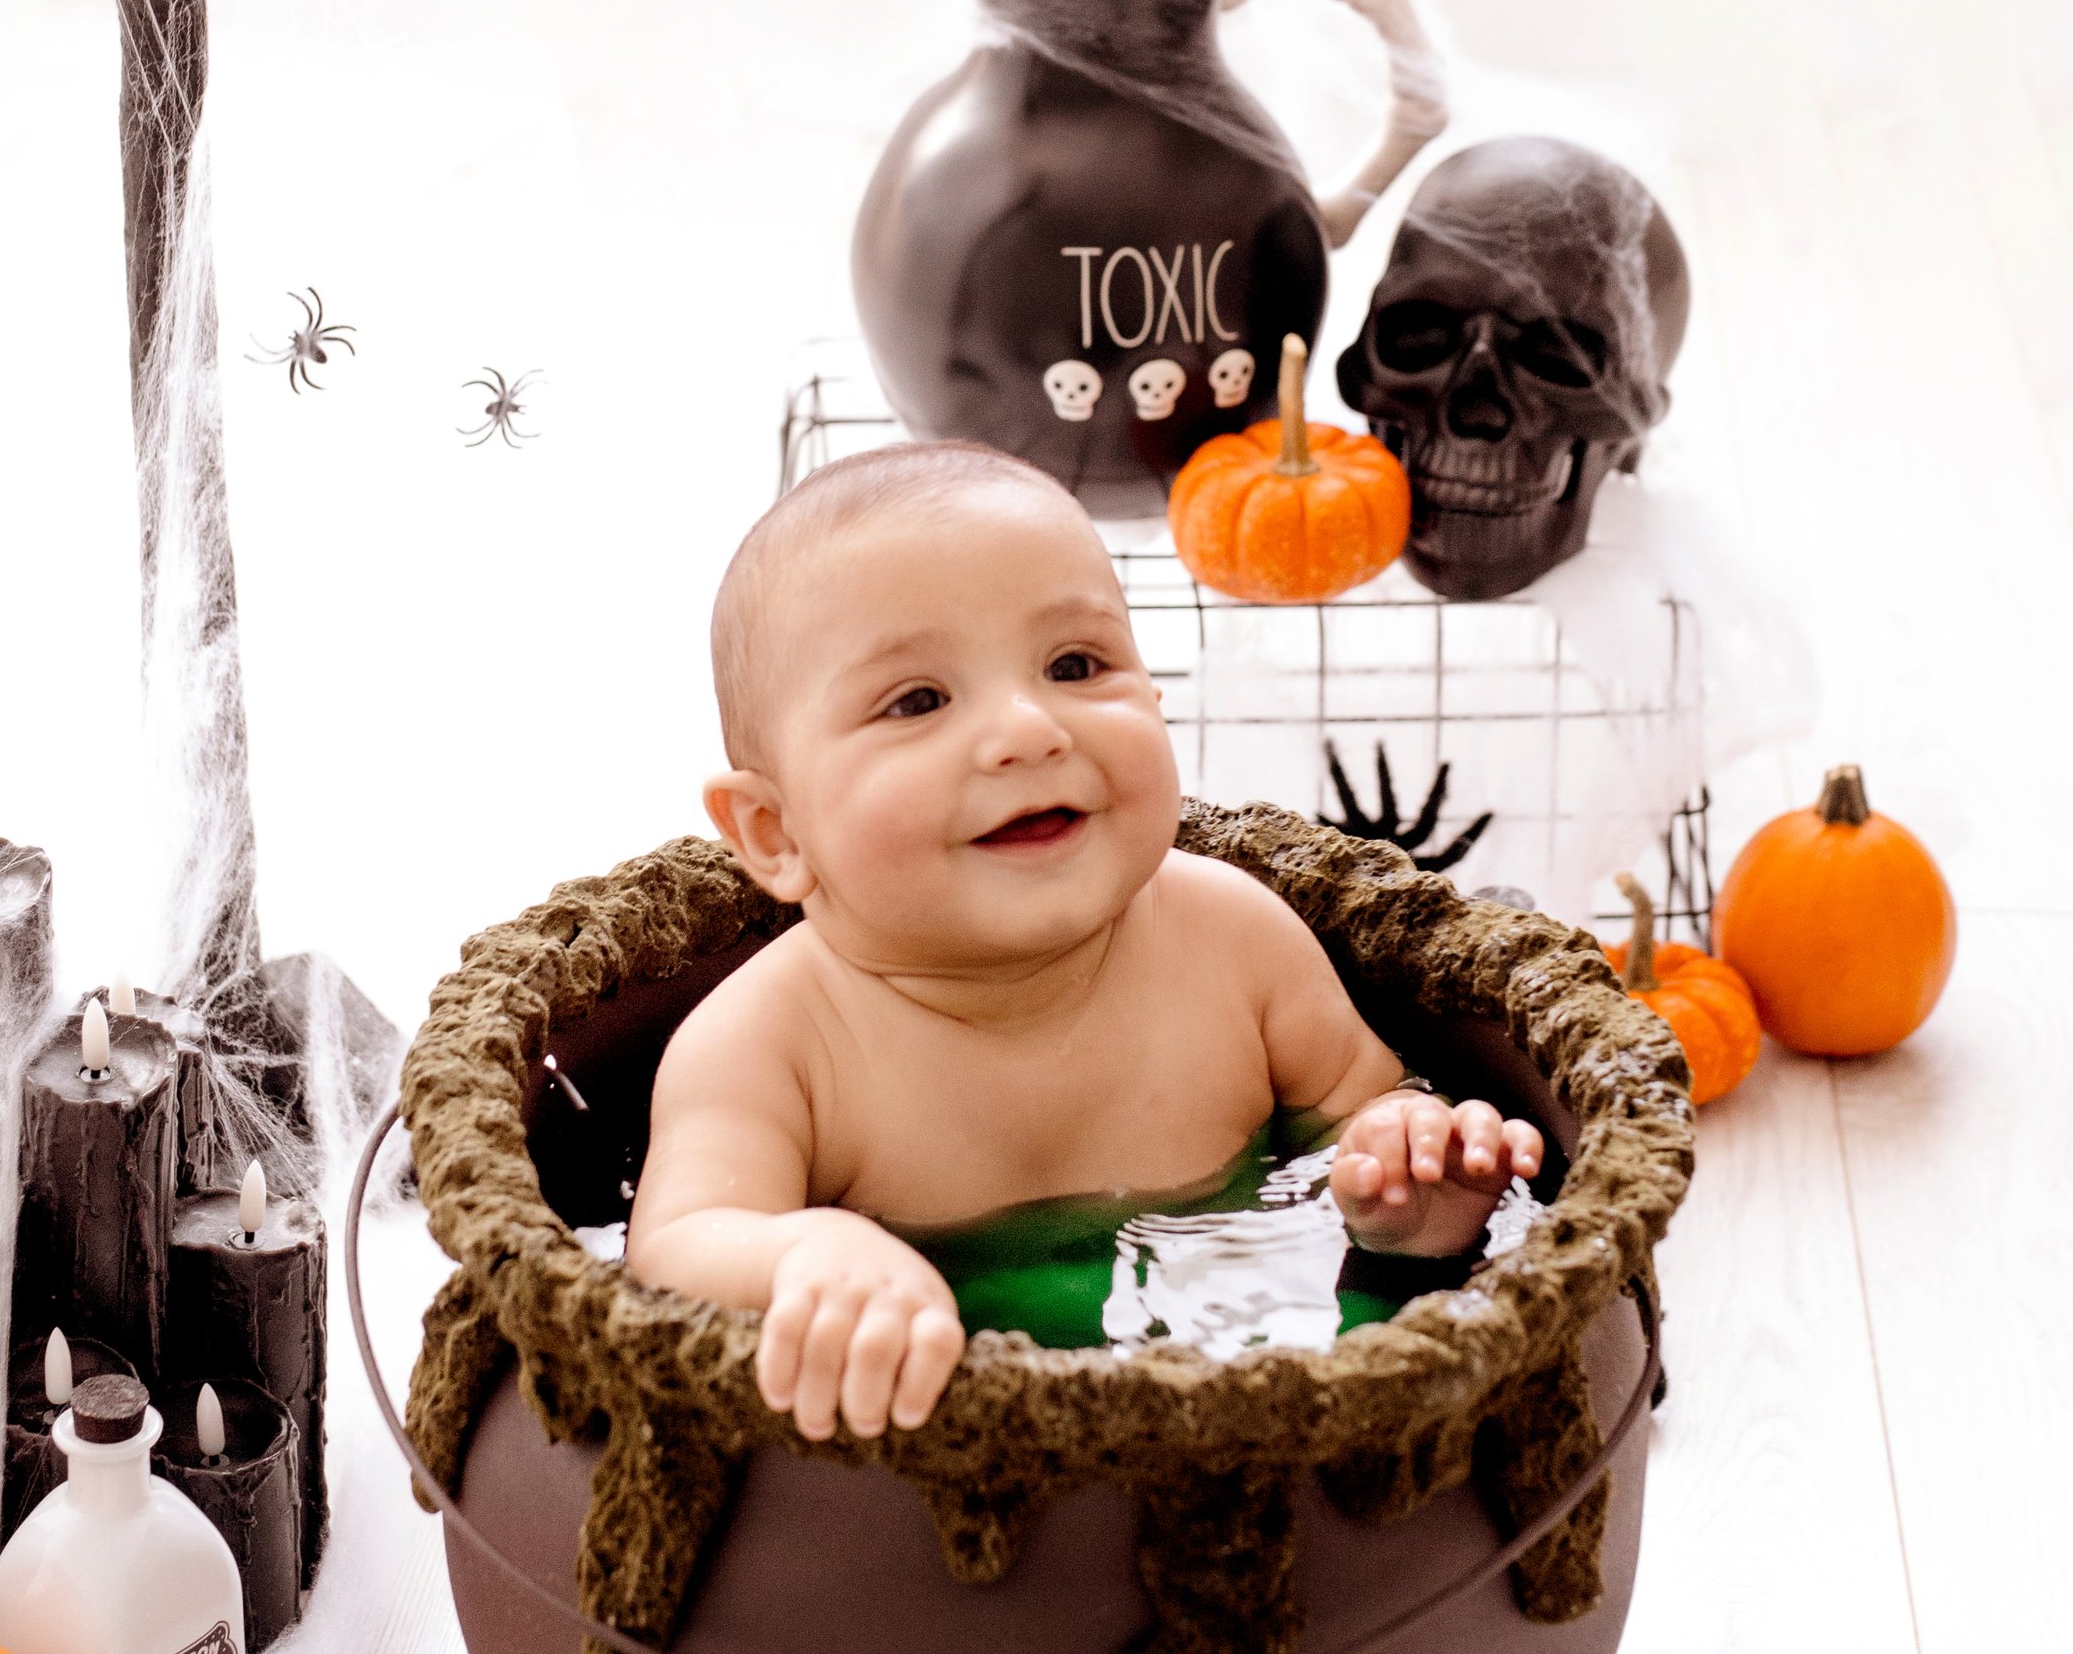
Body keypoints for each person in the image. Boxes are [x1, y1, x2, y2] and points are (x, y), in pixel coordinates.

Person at [625, 443, 1542, 1443]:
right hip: (928, 1443)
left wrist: (1406, 1193)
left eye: (1075, 664)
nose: (1027, 728)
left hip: (1252, 1395)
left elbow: (1366, 1117)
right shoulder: (769, 1043)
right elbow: (674, 1246)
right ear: (775, 832)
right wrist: (803, 1256)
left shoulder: (1234, 937)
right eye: (917, 699)